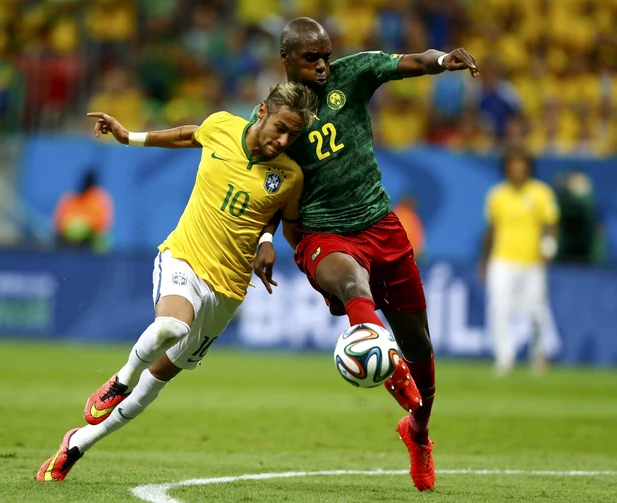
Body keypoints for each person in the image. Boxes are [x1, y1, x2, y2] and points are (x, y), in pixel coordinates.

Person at [93, 17, 479, 492]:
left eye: (326, 56)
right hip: (319, 232)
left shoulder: (351, 75)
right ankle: (379, 351)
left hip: (379, 223)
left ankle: (417, 432)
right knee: (351, 281)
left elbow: (409, 62)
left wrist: (444, 60)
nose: (322, 66)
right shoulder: (276, 115)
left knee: (420, 344)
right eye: (311, 58)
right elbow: (271, 187)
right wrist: (268, 238)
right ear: (287, 59)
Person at [36, 81, 319, 482]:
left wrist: (268, 241)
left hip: (229, 289)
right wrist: (127, 136)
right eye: (281, 127)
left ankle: (77, 444)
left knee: (158, 381)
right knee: (172, 324)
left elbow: (277, 212)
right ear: (262, 112)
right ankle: (119, 380)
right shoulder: (222, 126)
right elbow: (189, 134)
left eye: (293, 135)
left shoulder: (290, 175)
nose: (284, 139)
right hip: (184, 256)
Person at [479, 151, 560, 376]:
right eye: (512, 165)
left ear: (528, 167)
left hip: (532, 262)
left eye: (521, 165)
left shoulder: (541, 193)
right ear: (506, 168)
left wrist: (549, 244)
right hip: (502, 260)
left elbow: (551, 223)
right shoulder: (497, 195)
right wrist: (483, 260)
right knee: (499, 307)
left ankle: (537, 355)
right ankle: (504, 358)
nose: (516, 170)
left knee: (536, 311)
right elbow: (491, 230)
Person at [53, 169, 114, 252]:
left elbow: (102, 223)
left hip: (91, 240)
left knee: (104, 241)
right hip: (68, 242)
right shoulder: (69, 198)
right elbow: (60, 224)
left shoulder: (100, 198)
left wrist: (85, 226)